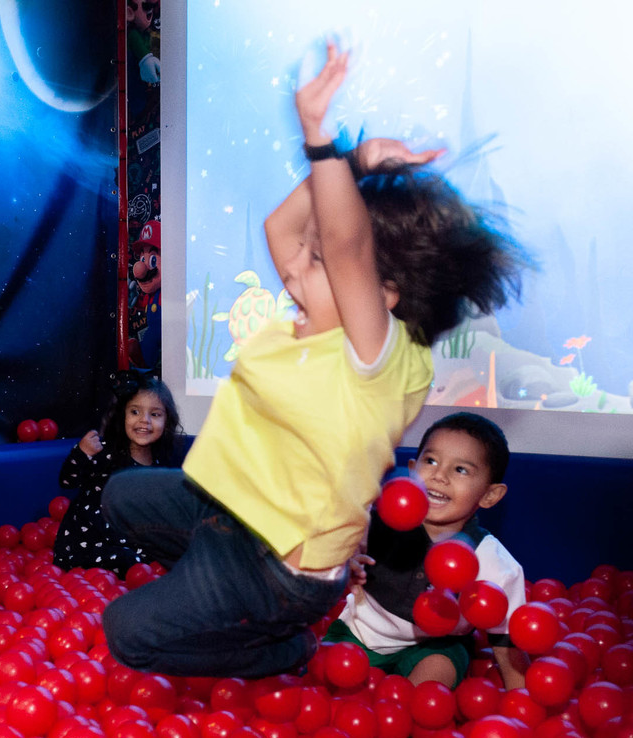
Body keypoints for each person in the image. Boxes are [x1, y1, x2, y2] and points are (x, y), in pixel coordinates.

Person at [100, 42, 523, 678]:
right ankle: (208, 587)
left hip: (277, 569)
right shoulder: (314, 317)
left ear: (384, 293)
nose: (294, 263)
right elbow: (281, 228)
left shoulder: (382, 360)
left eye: (317, 258)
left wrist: (321, 140)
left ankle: (277, 648)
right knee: (120, 494)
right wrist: (356, 162)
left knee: (126, 632)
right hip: (228, 510)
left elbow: (348, 245)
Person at [326, 412, 529, 689]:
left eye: (460, 470)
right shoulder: (376, 520)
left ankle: (406, 714)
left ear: (489, 495)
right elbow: (329, 554)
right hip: (359, 633)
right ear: (412, 469)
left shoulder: (490, 561)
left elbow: (506, 641)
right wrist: (345, 566)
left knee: (434, 675)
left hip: (435, 645)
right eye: (431, 461)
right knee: (330, 674)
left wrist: (520, 700)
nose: (439, 476)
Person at [53, 374, 182, 574]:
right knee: (129, 561)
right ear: (122, 415)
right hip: (88, 544)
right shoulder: (105, 451)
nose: (144, 420)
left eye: (155, 414)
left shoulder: (159, 463)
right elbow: (67, 481)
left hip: (129, 541)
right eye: (135, 412)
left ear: (167, 421)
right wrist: (82, 454)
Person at [127, 220, 163, 374]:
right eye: (142, 259)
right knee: (149, 337)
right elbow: (141, 304)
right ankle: (143, 363)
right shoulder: (151, 294)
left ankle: (145, 362)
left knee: (152, 336)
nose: (142, 268)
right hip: (154, 336)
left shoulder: (169, 293)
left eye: (152, 260)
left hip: (170, 336)